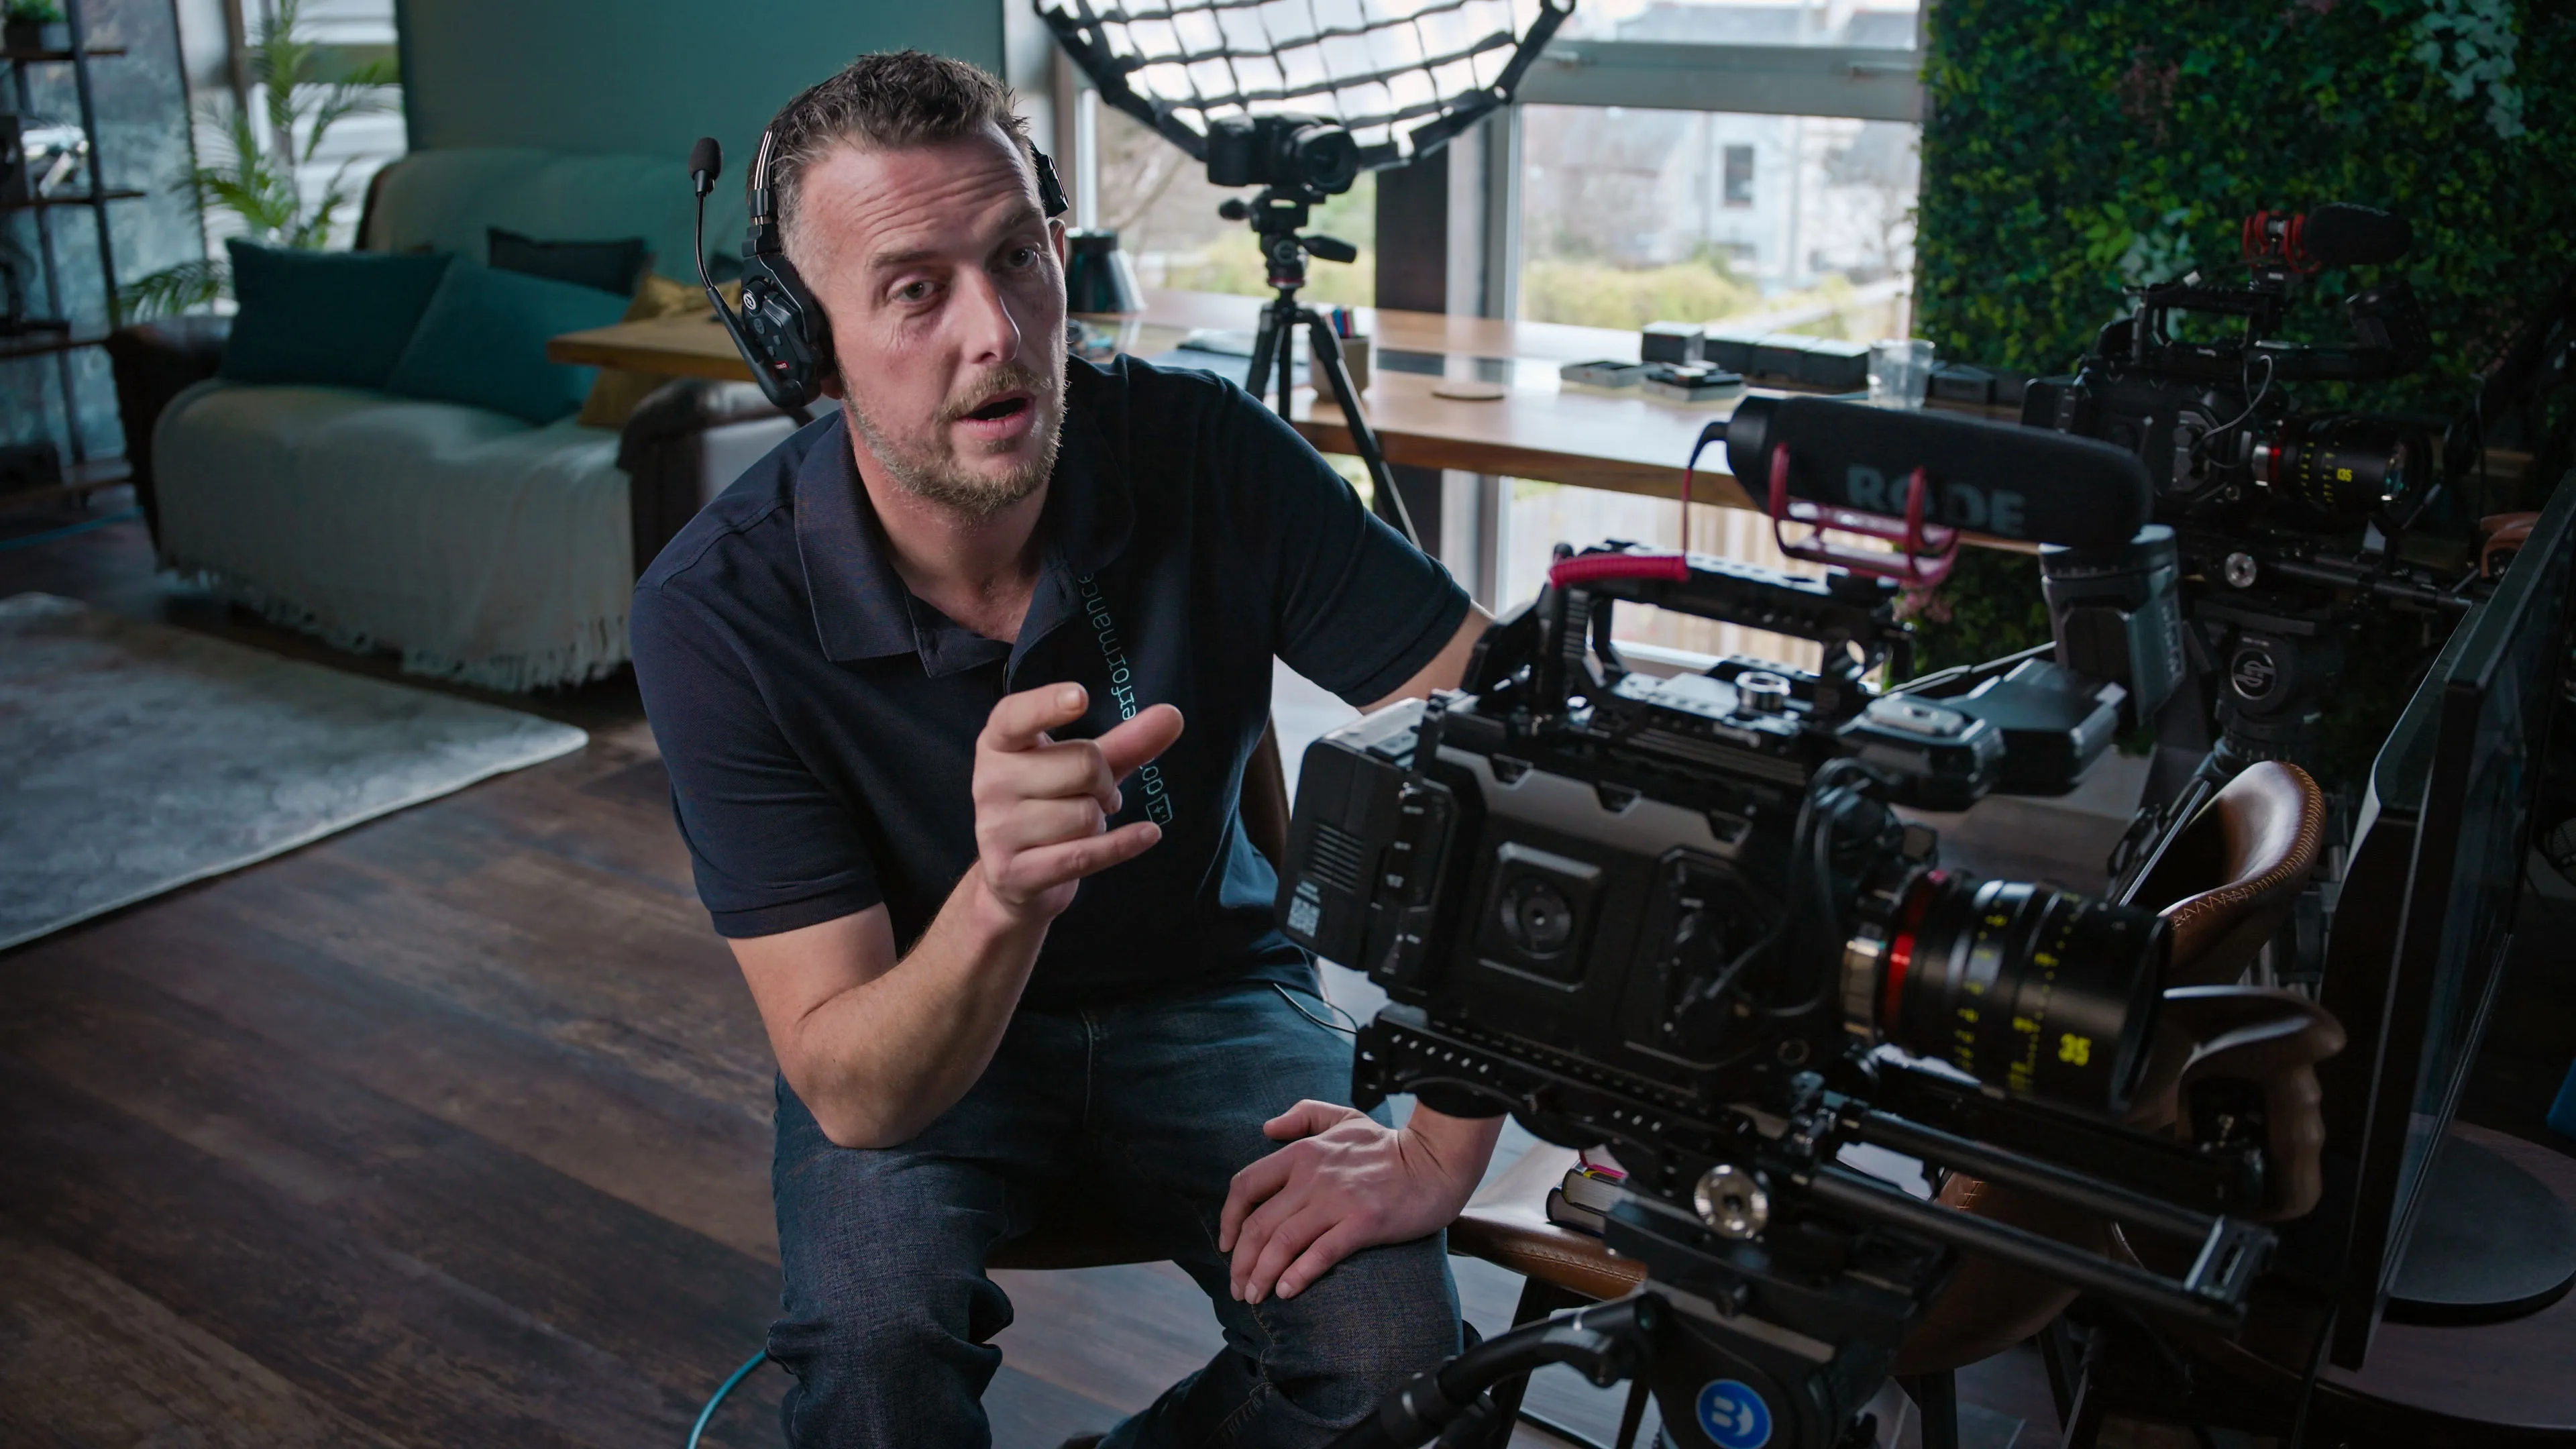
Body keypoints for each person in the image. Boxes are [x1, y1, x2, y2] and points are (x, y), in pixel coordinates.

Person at [629, 50, 1505, 1449]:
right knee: (871, 1362)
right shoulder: (716, 611)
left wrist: (1440, 1154)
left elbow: (1511, 746)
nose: (1000, 333)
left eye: (1018, 259)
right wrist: (1003, 895)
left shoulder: (1201, 449)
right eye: (915, 288)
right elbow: (855, 1087)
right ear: (804, 345)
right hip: (921, 1034)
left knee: (1401, 1367)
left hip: (1213, 995)